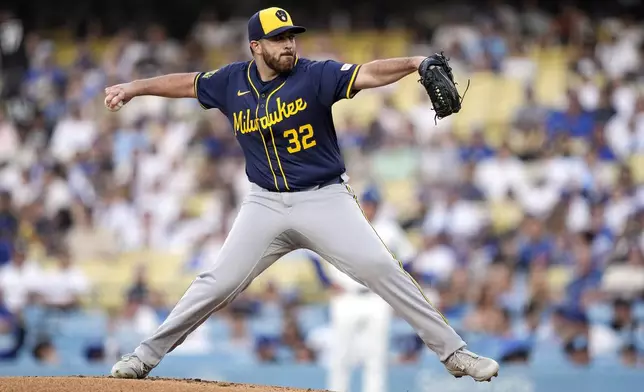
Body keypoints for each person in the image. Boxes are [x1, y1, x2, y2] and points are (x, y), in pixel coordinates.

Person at [107, 7, 500, 383]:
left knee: (382, 269)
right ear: (255, 46)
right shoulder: (231, 82)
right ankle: (144, 356)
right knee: (216, 283)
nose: (289, 45)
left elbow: (367, 73)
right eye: (278, 39)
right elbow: (187, 83)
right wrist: (134, 88)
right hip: (264, 203)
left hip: (324, 199)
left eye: (291, 36)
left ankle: (454, 354)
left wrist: (413, 62)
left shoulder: (315, 75)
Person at [308, 186, 417, 392]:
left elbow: (409, 257)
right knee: (341, 356)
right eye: (366, 203)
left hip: (376, 298)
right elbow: (312, 251)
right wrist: (325, 281)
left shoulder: (388, 229)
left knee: (375, 357)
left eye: (372, 204)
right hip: (345, 298)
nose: (369, 208)